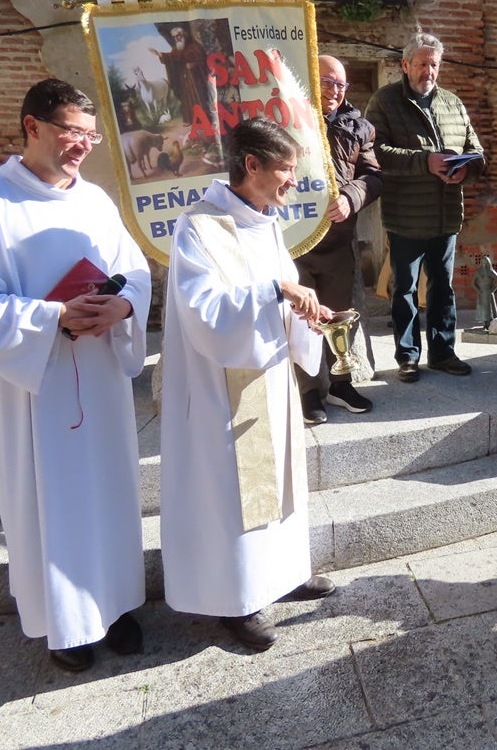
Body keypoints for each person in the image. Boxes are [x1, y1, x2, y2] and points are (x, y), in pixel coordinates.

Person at [0, 78, 152, 672]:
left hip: (100, 374)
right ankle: (64, 625)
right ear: (32, 127)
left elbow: (131, 271)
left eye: (90, 135)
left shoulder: (95, 202)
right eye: (71, 132)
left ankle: (113, 607)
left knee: (109, 491)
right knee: (50, 500)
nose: (82, 145)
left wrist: (123, 305)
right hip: (35, 387)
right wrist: (51, 316)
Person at [159, 117, 336, 652]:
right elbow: (205, 313)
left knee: (280, 477)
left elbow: (278, 297)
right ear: (250, 165)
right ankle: (240, 599)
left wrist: (303, 310)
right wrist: (274, 291)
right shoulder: (199, 228)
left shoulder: (265, 222)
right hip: (223, 391)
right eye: (285, 170)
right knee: (236, 492)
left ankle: (283, 571)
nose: (293, 182)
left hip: (271, 375)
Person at [364, 31, 485, 383]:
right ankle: (407, 356)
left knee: (443, 288)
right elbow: (375, 153)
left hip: (447, 215)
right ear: (405, 65)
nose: (428, 71)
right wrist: (424, 161)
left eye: (434, 65)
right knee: (404, 289)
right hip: (406, 216)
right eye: (421, 64)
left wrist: (465, 169)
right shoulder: (384, 101)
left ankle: (443, 353)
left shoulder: (452, 103)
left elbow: (476, 150)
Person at [294, 55, 383, 425]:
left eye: (341, 84)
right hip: (295, 239)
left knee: (338, 313)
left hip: (338, 237)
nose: (334, 90)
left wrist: (352, 197)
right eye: (327, 82)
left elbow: (374, 176)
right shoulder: (287, 114)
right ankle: (310, 390)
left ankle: (341, 383)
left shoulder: (359, 126)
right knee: (304, 317)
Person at [151, 24, 211, 124]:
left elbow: (203, 60)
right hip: (184, 80)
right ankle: (191, 120)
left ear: (183, 35)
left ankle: (203, 120)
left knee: (198, 98)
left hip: (196, 79)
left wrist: (193, 64)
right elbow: (171, 58)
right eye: (174, 37)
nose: (176, 39)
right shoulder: (176, 50)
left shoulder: (193, 47)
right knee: (187, 100)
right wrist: (159, 54)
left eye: (178, 36)